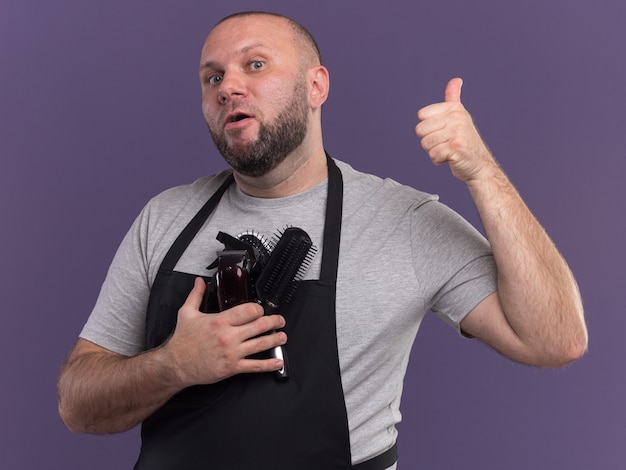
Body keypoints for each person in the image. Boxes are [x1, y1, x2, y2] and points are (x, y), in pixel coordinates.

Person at [57, 10, 588, 470]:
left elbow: (554, 340)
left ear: (317, 87)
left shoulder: (402, 220)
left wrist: (482, 174)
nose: (228, 87)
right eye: (211, 76)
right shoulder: (165, 217)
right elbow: (78, 406)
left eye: (255, 65)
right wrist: (174, 364)